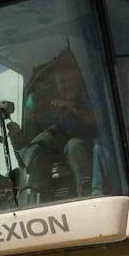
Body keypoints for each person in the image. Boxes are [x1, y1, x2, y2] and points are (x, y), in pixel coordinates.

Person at [13, 48, 115, 201]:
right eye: (62, 82)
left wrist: (73, 109)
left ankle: (89, 197)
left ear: (79, 80)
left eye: (69, 81)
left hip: (98, 146)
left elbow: (102, 121)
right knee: (37, 149)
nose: (66, 86)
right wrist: (21, 141)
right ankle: (36, 199)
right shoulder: (49, 105)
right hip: (61, 154)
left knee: (75, 146)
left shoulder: (91, 96)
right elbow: (44, 134)